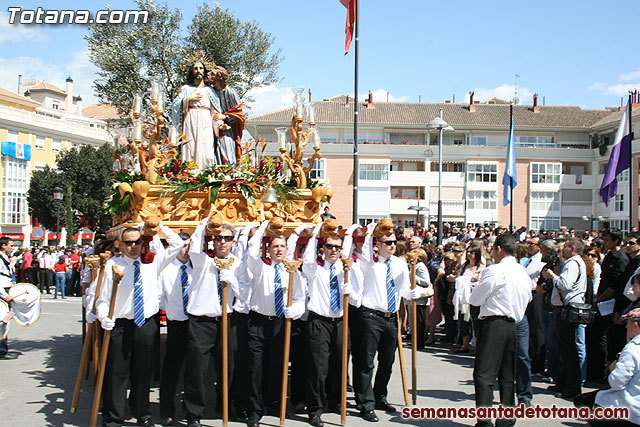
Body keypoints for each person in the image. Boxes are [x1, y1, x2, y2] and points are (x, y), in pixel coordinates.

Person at [96, 221, 185, 427]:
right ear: (120, 245)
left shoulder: (152, 263)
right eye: (128, 243)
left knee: (143, 370)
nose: (133, 246)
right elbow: (103, 298)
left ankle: (141, 412)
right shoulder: (112, 265)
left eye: (137, 242)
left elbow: (176, 244)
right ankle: (114, 414)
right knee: (117, 370)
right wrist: (104, 317)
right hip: (120, 323)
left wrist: (156, 226)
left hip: (145, 323)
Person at [351, 220, 425, 422]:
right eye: (388, 242)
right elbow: (365, 246)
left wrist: (412, 291)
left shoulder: (400, 263)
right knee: (366, 362)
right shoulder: (369, 262)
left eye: (394, 242)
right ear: (379, 244)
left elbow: (403, 289)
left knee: (387, 361)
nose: (393, 245)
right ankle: (365, 403)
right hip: (371, 316)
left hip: (391, 317)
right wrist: (374, 229)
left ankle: (380, 395)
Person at [182, 219, 247, 427]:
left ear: (233, 242)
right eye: (218, 238)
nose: (222, 242)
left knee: (228, 368)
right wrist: (204, 225)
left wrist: (232, 280)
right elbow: (193, 249)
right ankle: (194, 413)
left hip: (226, 320)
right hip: (202, 322)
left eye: (227, 239)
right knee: (197, 369)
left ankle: (225, 406)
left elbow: (245, 296)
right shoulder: (204, 262)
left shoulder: (238, 264)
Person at [297, 222, 361, 427]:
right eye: (330, 246)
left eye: (337, 247)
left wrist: (350, 291)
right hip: (319, 321)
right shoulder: (315, 268)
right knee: (318, 367)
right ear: (323, 248)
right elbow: (306, 257)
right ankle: (315, 408)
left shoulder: (347, 269)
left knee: (341, 363)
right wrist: (316, 233)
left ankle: (336, 401)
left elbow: (356, 300)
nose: (334, 250)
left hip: (340, 320)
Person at [244, 220, 305, 427]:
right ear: (268, 250)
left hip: (281, 323)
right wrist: (264, 226)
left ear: (287, 250)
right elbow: (252, 251)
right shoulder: (260, 267)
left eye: (282, 246)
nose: (278, 250)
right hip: (259, 322)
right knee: (255, 367)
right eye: (274, 246)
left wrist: (294, 311)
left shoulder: (293, 271)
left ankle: (274, 403)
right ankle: (254, 409)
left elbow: (299, 299)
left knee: (277, 366)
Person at [469, 233, 533, 427]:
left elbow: (476, 299)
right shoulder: (522, 271)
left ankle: (484, 419)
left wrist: (476, 290)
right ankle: (506, 417)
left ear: (499, 249)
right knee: (507, 374)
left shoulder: (495, 270)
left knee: (484, 374)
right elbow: (528, 298)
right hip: (514, 322)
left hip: (494, 322)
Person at [574, 307, 640, 426]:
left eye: (628, 323)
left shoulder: (633, 349)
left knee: (584, 402)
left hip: (631, 410)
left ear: (635, 325)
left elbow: (616, 383)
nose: (626, 327)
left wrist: (612, 368)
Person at [542, 237, 587, 399]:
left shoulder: (574, 264)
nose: (563, 250)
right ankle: (563, 382)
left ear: (573, 248)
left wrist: (553, 275)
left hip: (567, 309)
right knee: (563, 348)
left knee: (568, 349)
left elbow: (565, 285)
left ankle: (572, 386)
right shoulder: (574, 263)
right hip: (565, 309)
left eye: (566, 247)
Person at [155, 232, 191, 427]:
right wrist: (171, 311)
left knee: (194, 370)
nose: (186, 250)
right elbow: (159, 297)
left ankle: (190, 410)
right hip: (176, 323)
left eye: (188, 246)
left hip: (195, 323)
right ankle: (166, 410)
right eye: (182, 246)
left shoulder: (198, 268)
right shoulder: (166, 271)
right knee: (171, 369)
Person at [170, 60, 224, 168]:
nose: (198, 71)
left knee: (207, 150)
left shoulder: (210, 90)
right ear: (192, 72)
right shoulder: (186, 89)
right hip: (190, 121)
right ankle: (189, 174)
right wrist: (188, 99)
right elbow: (175, 105)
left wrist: (220, 123)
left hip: (206, 122)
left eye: (201, 68)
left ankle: (206, 173)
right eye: (196, 68)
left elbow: (215, 111)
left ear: (204, 71)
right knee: (190, 147)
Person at [208, 65, 245, 165]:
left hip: (227, 131)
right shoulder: (209, 91)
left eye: (212, 74)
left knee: (227, 155)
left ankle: (229, 176)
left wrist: (225, 117)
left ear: (219, 77)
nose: (208, 75)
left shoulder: (231, 92)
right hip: (211, 129)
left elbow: (239, 114)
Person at [0, 237, 16, 359]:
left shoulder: (5, 258)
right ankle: (1, 349)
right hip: (3, 292)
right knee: (2, 321)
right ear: (3, 246)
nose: (13, 247)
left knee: (5, 321)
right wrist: (4, 295)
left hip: (7, 289)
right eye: (11, 245)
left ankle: (3, 348)